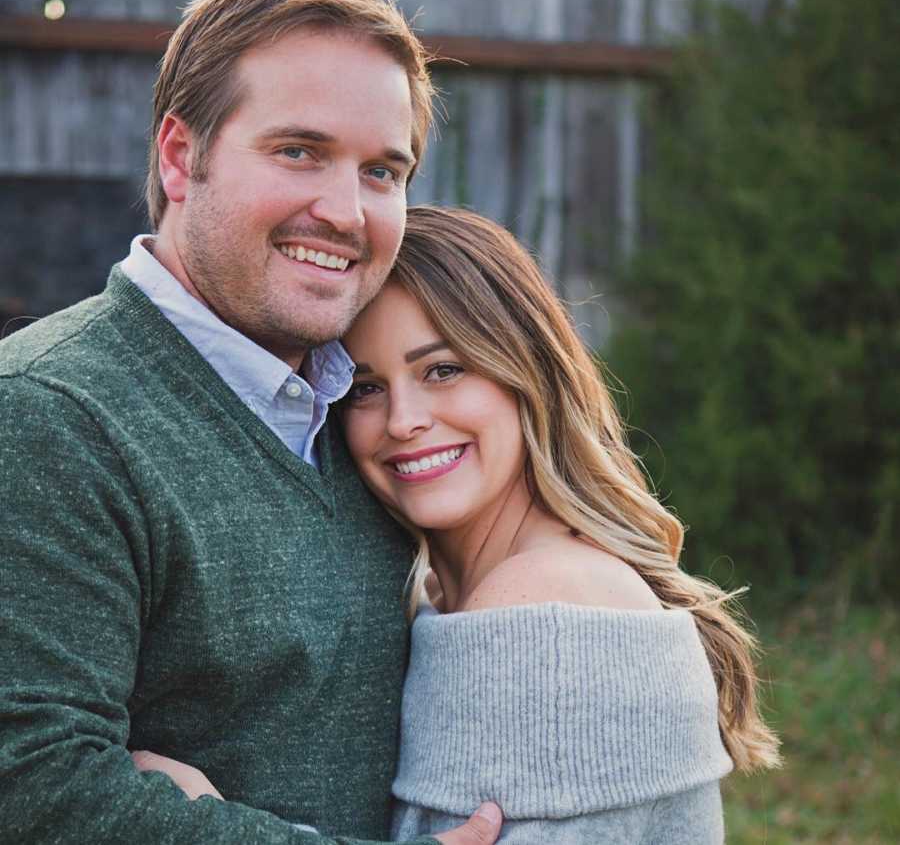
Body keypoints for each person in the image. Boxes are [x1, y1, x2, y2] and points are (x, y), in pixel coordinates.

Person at [0, 0, 501, 845]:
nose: (345, 212)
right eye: (299, 151)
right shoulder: (49, 416)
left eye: (383, 171)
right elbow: (33, 782)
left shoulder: (369, 409)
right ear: (180, 157)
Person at [143, 206, 782, 840]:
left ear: (527, 374)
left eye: (443, 370)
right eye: (364, 387)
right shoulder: (448, 596)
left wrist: (204, 826)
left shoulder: (543, 604)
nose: (403, 420)